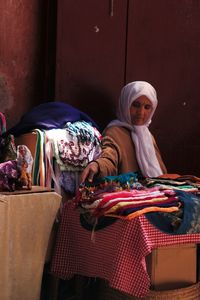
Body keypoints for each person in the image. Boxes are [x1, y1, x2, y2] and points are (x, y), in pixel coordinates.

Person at [80, 81, 167, 183]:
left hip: (152, 194)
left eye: (147, 107)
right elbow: (109, 157)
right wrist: (98, 165)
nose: (141, 112)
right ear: (125, 104)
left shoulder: (147, 136)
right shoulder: (114, 132)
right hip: (127, 194)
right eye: (136, 105)